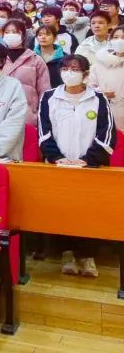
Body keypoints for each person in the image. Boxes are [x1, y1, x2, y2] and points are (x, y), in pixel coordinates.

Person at [38, 54, 116, 277]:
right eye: (65, 68)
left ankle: (88, 255)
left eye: (74, 69)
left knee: (90, 211)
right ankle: (67, 253)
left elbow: (107, 134)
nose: (69, 73)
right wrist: (57, 157)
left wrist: (88, 159)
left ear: (85, 74)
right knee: (62, 209)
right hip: (59, 166)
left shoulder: (98, 98)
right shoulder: (49, 97)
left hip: (90, 167)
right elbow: (44, 132)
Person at [1, 19, 51, 124]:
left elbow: (44, 89)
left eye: (15, 32)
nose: (10, 35)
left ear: (23, 35)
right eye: (7, 32)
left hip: (28, 116)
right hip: (1, 114)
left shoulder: (35, 59)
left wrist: (40, 114)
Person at [90, 26, 124, 128]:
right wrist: (101, 93)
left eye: (123, 37)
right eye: (116, 37)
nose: (120, 41)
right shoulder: (100, 62)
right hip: (106, 112)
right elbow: (89, 86)